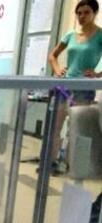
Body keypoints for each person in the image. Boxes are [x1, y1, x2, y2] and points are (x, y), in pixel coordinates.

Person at [47, 0, 102, 175]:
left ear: (94, 13)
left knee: (77, 130)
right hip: (65, 87)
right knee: (54, 127)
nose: (81, 16)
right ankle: (50, 162)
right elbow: (53, 56)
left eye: (86, 12)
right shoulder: (70, 34)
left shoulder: (100, 35)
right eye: (79, 13)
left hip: (84, 89)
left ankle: (74, 167)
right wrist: (58, 70)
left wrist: (98, 73)